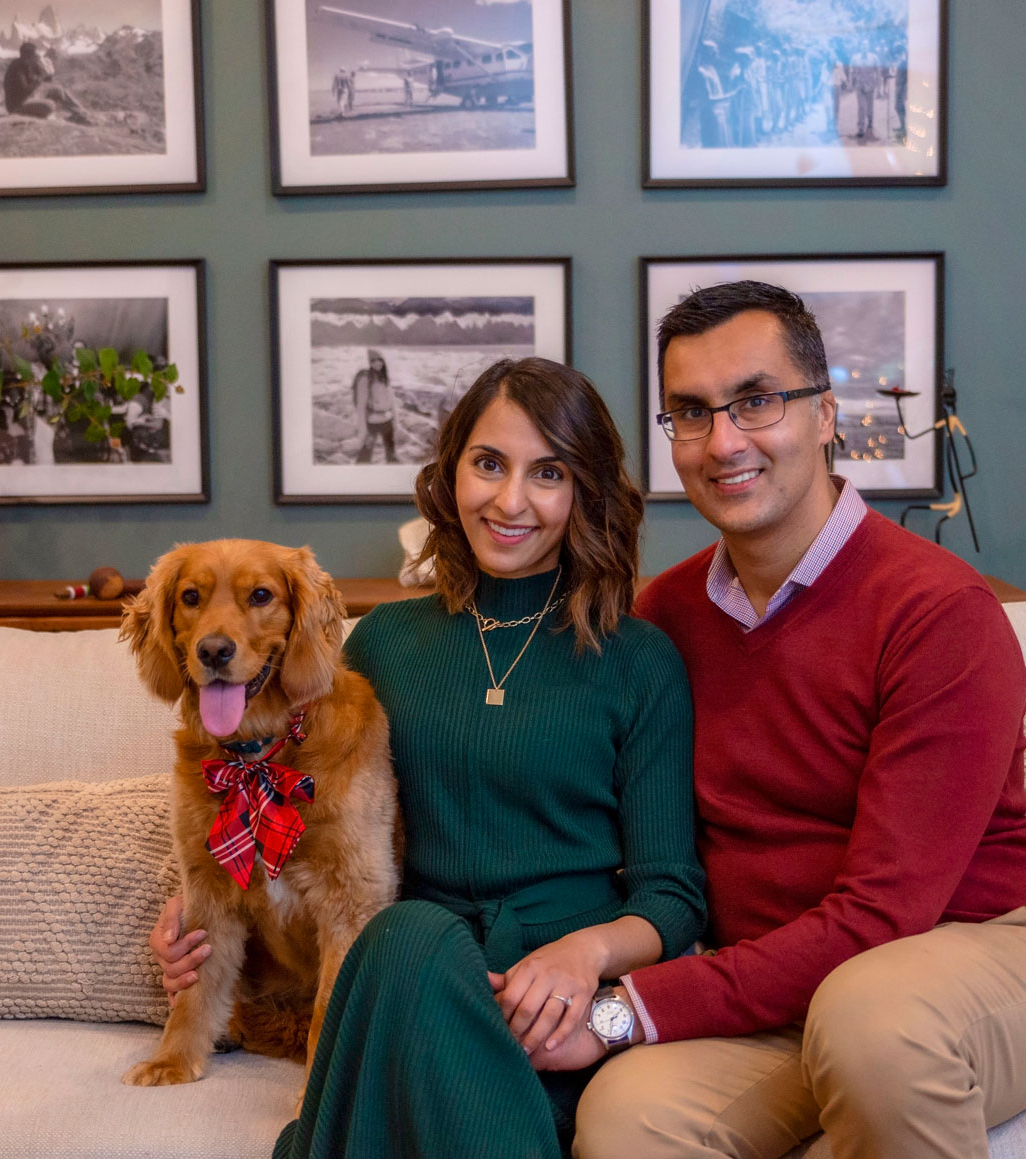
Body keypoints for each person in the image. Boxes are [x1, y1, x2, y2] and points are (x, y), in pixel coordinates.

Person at [561, 281, 1026, 1159]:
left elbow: (886, 911)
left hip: (969, 957)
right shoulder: (667, 616)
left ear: (826, 415)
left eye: (757, 401)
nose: (723, 440)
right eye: (690, 412)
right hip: (782, 990)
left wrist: (630, 1007)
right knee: (625, 1120)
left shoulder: (938, 611)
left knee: (873, 1024)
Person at [154, 357, 708, 1158]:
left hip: (559, 1010)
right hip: (416, 982)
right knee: (411, 934)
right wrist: (196, 914)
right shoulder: (380, 644)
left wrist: (583, 956)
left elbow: (674, 893)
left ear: (582, 490)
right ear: (451, 475)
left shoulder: (639, 661)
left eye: (546, 472)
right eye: (488, 464)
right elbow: (276, 808)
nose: (510, 500)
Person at [3, 41, 95, 126]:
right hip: (17, 105)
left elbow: (47, 80)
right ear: (26, 55)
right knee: (50, 105)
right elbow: (24, 91)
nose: (36, 56)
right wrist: (40, 79)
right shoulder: (16, 68)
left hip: (29, 97)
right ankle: (46, 117)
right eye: (34, 54)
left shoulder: (30, 64)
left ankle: (81, 114)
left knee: (58, 90)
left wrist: (48, 71)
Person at [350, 348, 398, 464]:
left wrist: (395, 420)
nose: (377, 363)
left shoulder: (384, 378)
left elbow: (392, 402)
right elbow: (361, 407)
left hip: (387, 421)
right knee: (365, 456)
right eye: (373, 360)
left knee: (391, 454)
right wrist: (362, 430)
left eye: (379, 360)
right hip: (372, 423)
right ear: (369, 363)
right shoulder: (365, 379)